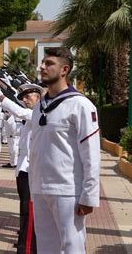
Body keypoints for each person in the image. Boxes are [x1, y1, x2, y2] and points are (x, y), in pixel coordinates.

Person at [30, 47, 100, 253]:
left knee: (72, 246)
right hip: (41, 187)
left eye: (49, 64)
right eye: (42, 63)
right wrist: (33, 185)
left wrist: (88, 196)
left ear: (64, 70)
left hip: (68, 190)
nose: (42, 67)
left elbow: (91, 155)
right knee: (45, 246)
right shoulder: (39, 105)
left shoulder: (80, 105)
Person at [0, 82, 42, 254]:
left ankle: (27, 247)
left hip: (33, 170)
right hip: (23, 168)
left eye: (28, 96)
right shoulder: (31, 114)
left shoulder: (40, 113)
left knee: (30, 210)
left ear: (38, 97)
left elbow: (21, 112)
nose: (25, 100)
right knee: (25, 209)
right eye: (23, 98)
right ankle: (25, 240)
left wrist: (1, 97)